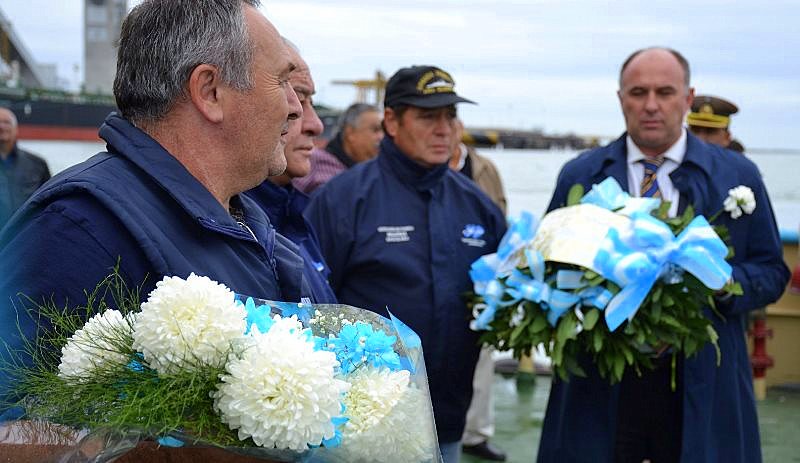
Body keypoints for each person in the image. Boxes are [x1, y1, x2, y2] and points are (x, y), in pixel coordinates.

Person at [0, 0, 304, 405]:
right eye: (282, 81)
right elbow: (19, 423)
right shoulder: (77, 230)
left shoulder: (241, 215)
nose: (296, 107)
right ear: (210, 91)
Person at [538, 47, 789, 463]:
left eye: (664, 92)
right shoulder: (581, 176)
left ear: (688, 98)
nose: (651, 105)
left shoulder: (737, 177)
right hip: (602, 382)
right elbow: (549, 270)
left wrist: (722, 285)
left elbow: (771, 270)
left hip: (703, 378)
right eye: (638, 92)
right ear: (620, 99)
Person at [305, 65, 507, 463]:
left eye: (450, 116)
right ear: (392, 121)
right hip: (360, 425)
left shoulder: (477, 205)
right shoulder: (344, 200)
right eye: (429, 116)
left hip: (447, 419)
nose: (444, 128)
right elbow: (310, 306)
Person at [244, 40, 336, 304]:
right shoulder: (235, 222)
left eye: (308, 101)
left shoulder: (295, 212)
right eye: (293, 96)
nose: (315, 125)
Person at [450, 118, 508, 462]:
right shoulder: (426, 163)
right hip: (442, 274)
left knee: (483, 358)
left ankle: (476, 434)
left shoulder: (485, 168)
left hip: (482, 279)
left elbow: (500, 211)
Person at [293, 103, 382, 194]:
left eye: (383, 131)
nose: (381, 137)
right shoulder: (314, 159)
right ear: (350, 133)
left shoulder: (374, 173)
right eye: (375, 130)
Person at [0, 107, 51, 229]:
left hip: (23, 235)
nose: (1, 126)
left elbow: (49, 200)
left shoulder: (37, 163)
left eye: (6, 122)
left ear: (16, 129)